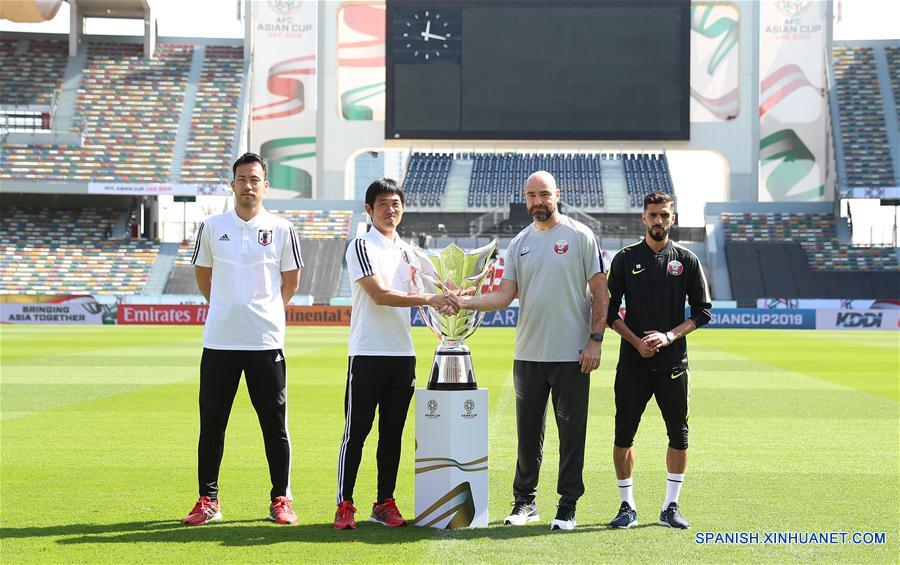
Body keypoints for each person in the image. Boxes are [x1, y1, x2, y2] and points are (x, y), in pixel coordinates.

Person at [452, 171, 608, 531]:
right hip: (528, 354)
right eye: (531, 195)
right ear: (525, 199)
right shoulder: (519, 242)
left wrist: (595, 339)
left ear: (557, 195)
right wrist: (464, 301)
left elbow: (601, 291)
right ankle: (525, 503)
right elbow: (505, 295)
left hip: (572, 355)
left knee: (572, 435)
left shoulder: (580, 235)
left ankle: (567, 505)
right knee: (527, 436)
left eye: (544, 195)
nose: (537, 202)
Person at [181, 152, 303, 526]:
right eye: (242, 179)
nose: (248, 186)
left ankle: (280, 499)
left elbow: (291, 283)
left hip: (265, 341)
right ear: (232, 184)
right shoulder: (212, 226)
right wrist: (226, 307)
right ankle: (208, 500)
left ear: (265, 185)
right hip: (220, 341)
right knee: (213, 423)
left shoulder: (282, 229)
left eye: (255, 179)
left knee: (274, 425)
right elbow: (204, 277)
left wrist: (263, 313)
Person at [333, 178, 458, 530]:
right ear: (369, 209)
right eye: (383, 203)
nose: (391, 209)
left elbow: (444, 284)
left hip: (402, 356)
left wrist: (459, 292)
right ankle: (345, 503)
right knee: (356, 432)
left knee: (392, 434)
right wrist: (431, 298)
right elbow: (380, 294)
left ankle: (384, 501)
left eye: (396, 204)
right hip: (367, 353)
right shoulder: (361, 245)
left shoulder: (410, 251)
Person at [605, 191, 711, 530]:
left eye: (664, 215)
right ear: (643, 218)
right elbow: (608, 313)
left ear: (672, 219)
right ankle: (627, 507)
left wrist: (668, 337)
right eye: (653, 215)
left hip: (673, 364)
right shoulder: (624, 259)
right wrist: (637, 342)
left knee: (679, 434)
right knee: (624, 435)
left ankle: (671, 506)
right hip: (633, 363)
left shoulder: (687, 260)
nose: (658, 221)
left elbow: (702, 312)